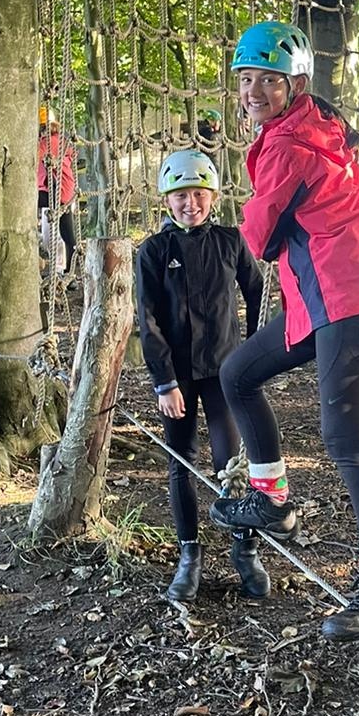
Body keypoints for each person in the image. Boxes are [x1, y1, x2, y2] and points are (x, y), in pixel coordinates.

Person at [208, 20, 359, 641]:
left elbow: (260, 237)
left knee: (344, 436)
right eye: (245, 79)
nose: (252, 91)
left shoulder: (292, 145)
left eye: (267, 81)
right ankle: (271, 498)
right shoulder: (308, 128)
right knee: (238, 373)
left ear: (294, 85)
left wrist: (247, 213)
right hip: (319, 298)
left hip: (342, 298)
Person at [135, 147, 266, 604]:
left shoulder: (230, 241)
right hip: (178, 376)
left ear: (212, 196)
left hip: (225, 370)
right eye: (180, 195)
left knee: (231, 463)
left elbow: (257, 291)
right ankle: (189, 554)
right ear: (167, 200)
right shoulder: (154, 251)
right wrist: (164, 381)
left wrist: (253, 352)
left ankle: (245, 549)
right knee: (182, 461)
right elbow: (147, 318)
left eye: (198, 194)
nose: (190, 203)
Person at [37, 106, 78, 277]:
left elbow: (32, 157)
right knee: (65, 234)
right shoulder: (59, 141)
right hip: (60, 191)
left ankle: (67, 271)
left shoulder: (48, 142)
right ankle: (68, 271)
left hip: (58, 191)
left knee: (65, 234)